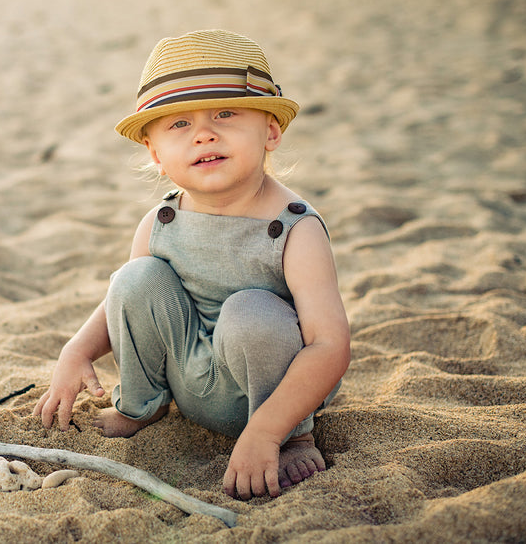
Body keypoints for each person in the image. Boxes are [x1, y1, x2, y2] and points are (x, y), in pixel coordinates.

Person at [33, 29, 351, 500]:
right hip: (189, 375)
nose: (204, 132)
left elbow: (329, 345)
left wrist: (267, 431)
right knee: (135, 277)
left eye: (226, 113)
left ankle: (293, 436)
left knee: (250, 312)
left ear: (270, 131)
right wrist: (76, 351)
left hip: (269, 392)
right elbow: (122, 303)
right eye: (179, 124)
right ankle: (144, 406)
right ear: (156, 154)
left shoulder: (294, 230)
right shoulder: (161, 222)